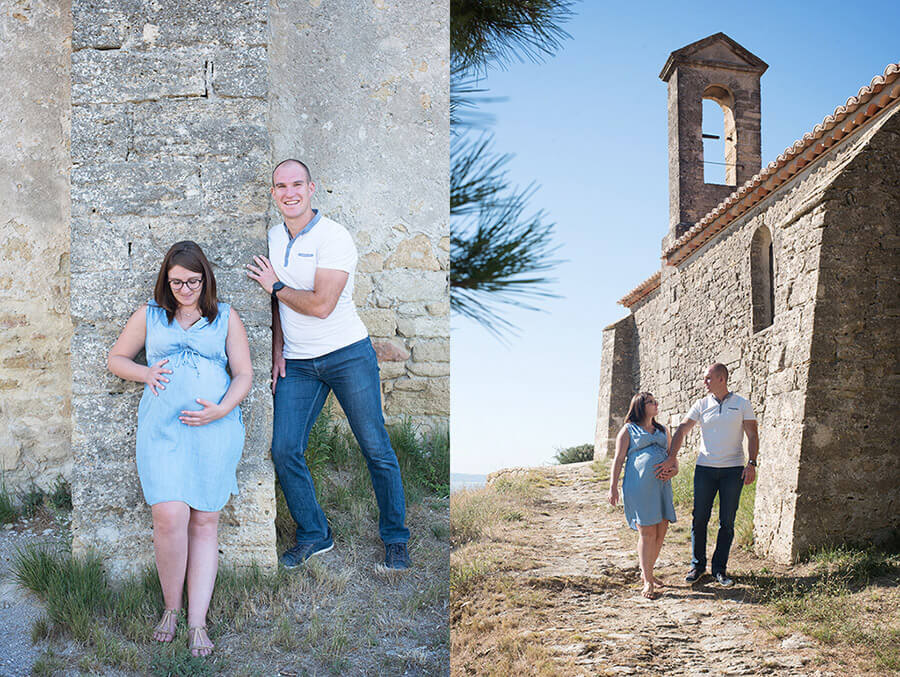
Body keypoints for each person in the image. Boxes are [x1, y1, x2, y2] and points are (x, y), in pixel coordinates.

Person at [246, 158, 411, 570]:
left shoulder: (334, 237)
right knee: (284, 449)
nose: (289, 193)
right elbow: (274, 306)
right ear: (274, 193)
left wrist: (277, 285)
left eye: (297, 184)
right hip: (298, 364)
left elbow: (320, 305)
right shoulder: (270, 237)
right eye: (281, 186)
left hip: (347, 354)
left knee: (375, 448)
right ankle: (315, 534)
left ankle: (395, 538)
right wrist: (277, 348)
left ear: (311, 188)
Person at [107, 241, 252, 657]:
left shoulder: (226, 317)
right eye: (176, 282)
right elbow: (116, 358)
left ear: (204, 278)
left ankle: (197, 621)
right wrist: (145, 371)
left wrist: (222, 408)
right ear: (165, 282)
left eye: (192, 281)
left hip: (214, 430)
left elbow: (243, 372)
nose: (185, 289)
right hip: (162, 430)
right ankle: (171, 608)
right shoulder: (150, 315)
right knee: (169, 515)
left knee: (205, 520)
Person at [655, 363, 758, 587]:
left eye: (708, 378)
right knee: (699, 517)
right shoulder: (701, 404)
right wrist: (672, 457)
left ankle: (719, 569)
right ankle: (697, 566)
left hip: (733, 470)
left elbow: (752, 434)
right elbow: (682, 429)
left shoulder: (742, 404)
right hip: (705, 469)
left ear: (722, 379)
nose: (704, 382)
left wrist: (751, 463)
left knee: (727, 521)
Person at [608, 392, 676, 599]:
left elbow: (673, 457)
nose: (656, 404)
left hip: (662, 486)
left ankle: (647, 571)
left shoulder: (664, 430)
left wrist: (674, 470)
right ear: (640, 406)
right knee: (647, 532)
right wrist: (613, 487)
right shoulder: (629, 430)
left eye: (656, 401)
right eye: (651, 402)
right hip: (639, 487)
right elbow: (618, 460)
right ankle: (647, 581)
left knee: (661, 531)